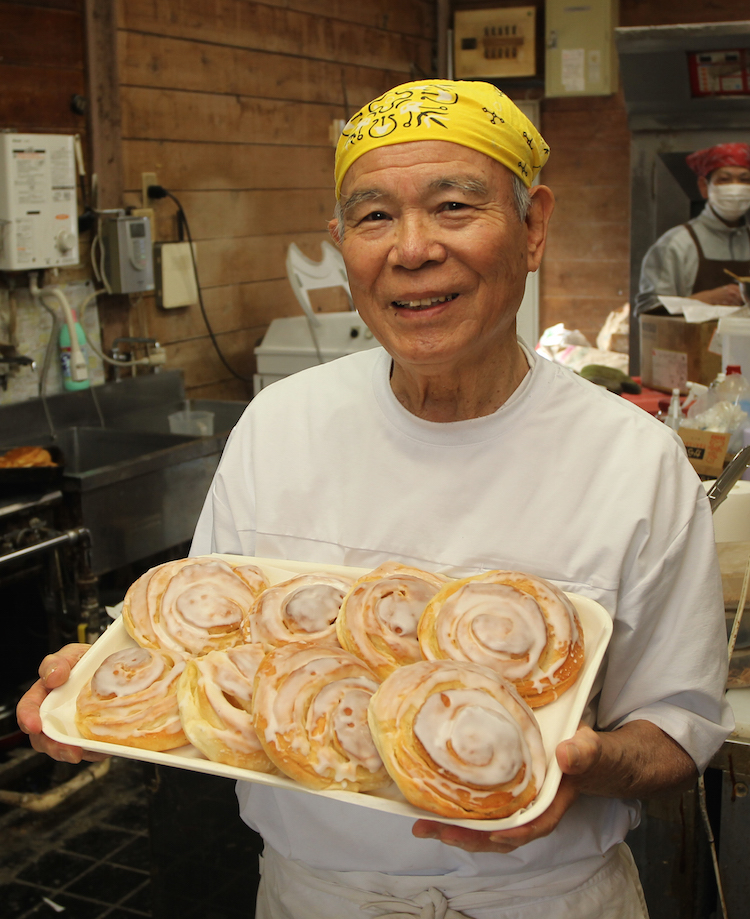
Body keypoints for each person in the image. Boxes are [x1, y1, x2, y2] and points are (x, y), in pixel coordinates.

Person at [18, 80, 732, 919]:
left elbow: (678, 729)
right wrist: (101, 683)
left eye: (455, 205)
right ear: (341, 243)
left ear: (534, 226)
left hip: (547, 898)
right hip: (314, 897)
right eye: (374, 217)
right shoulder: (279, 425)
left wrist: (584, 764)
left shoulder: (633, 459)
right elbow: (203, 654)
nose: (413, 249)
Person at [636, 142, 750, 314]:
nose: (735, 187)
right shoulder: (676, 244)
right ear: (704, 186)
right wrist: (707, 299)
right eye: (725, 179)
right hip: (691, 340)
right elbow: (648, 310)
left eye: (744, 179)